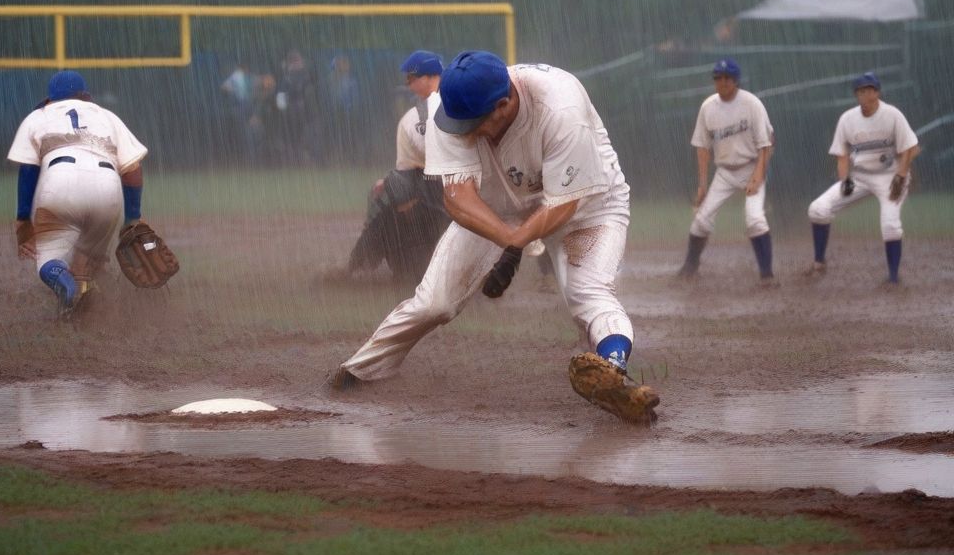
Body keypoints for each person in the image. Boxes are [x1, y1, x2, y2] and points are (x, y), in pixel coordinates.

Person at [331, 51, 660, 425]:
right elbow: (457, 198)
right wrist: (510, 240)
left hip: (588, 201)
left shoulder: (560, 106)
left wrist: (516, 243)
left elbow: (563, 204)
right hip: (496, 207)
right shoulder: (448, 111)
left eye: (473, 124)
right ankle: (356, 373)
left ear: (503, 104)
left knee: (588, 293)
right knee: (434, 303)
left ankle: (613, 373)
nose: (464, 133)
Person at [7, 70, 149, 319]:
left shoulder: (38, 116)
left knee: (49, 260)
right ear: (86, 97)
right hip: (108, 187)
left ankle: (66, 286)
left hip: (60, 183)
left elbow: (29, 168)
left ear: (50, 99)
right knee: (91, 254)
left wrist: (23, 218)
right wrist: (132, 219)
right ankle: (87, 298)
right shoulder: (107, 117)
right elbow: (133, 172)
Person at [805, 72, 920, 284]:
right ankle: (819, 264)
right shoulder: (848, 119)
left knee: (890, 225)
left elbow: (910, 149)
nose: (864, 94)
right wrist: (845, 180)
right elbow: (842, 155)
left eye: (868, 90)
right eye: (860, 91)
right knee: (817, 209)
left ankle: (893, 279)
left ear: (877, 92)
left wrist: (901, 176)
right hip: (859, 176)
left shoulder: (892, 115)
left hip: (889, 177)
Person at [346, 50, 450, 284]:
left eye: (412, 79)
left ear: (428, 77)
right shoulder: (469, 105)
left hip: (437, 201)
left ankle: (359, 265)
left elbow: (406, 174)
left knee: (383, 193)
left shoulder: (411, 120)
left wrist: (389, 184)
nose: (409, 85)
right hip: (464, 199)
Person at [676, 58, 775, 281]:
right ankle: (689, 269)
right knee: (701, 219)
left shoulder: (751, 104)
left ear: (736, 80)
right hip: (725, 172)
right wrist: (702, 186)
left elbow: (766, 144)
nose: (722, 82)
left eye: (727, 78)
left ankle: (767, 275)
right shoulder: (708, 107)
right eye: (718, 78)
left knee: (755, 219)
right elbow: (702, 148)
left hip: (751, 166)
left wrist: (758, 176)